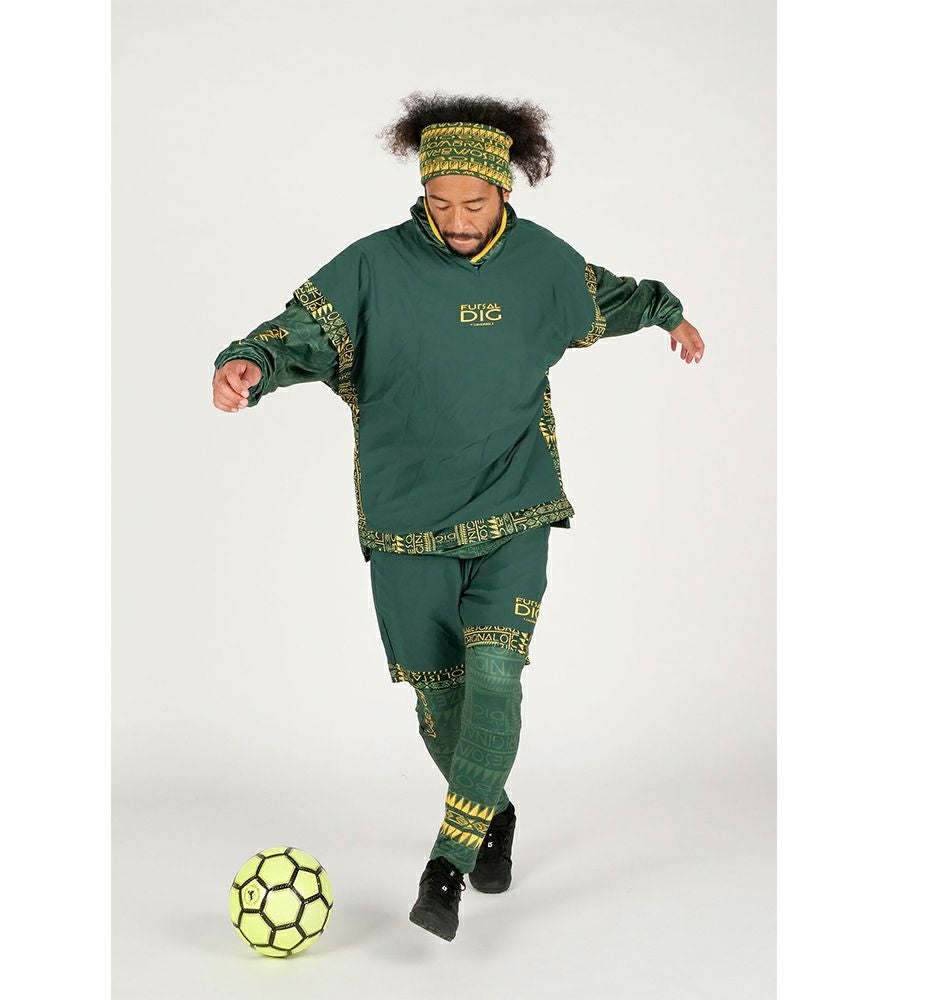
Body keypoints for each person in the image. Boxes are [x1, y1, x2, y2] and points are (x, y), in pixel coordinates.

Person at [210, 92, 705, 943]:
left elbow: (608, 297)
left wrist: (669, 312)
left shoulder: (543, 264)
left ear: (504, 191)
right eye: (439, 203)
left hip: (516, 502)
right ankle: (491, 809)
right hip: (406, 519)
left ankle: (446, 864)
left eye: (474, 203)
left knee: (498, 676)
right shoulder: (374, 265)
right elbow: (301, 332)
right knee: (441, 701)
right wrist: (249, 363)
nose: (457, 220)